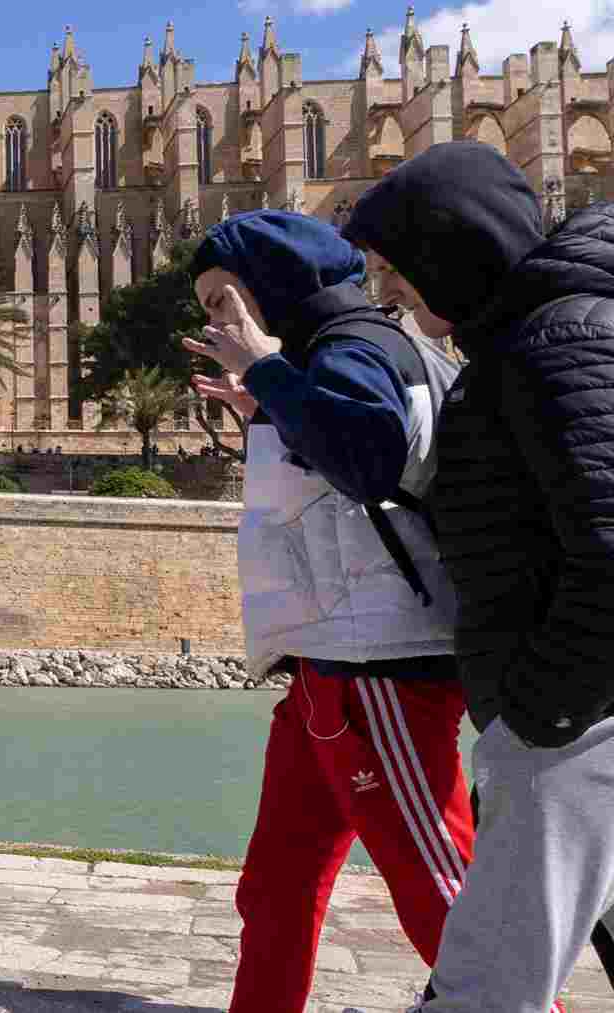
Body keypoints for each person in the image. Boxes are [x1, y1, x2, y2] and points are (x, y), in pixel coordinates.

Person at [343, 140, 614, 1013]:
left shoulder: (555, 340)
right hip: (571, 714)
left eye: (394, 268)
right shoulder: (523, 342)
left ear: (449, 248)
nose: (385, 292)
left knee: (482, 988)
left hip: (574, 727)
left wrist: (542, 710)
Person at [182, 210, 473, 1012]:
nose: (216, 322)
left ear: (269, 284)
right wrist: (268, 406)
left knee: (438, 889)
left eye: (221, 301)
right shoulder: (346, 351)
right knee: (276, 882)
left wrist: (271, 379)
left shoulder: (354, 345)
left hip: (379, 667)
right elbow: (343, 460)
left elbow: (367, 452)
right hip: (328, 668)